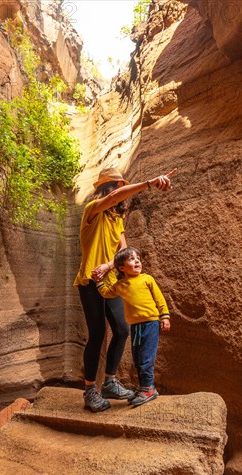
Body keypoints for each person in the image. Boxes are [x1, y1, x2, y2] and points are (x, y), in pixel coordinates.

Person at [74, 167, 177, 412]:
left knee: (121, 329)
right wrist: (149, 182)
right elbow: (110, 200)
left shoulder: (117, 221)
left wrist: (111, 265)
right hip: (90, 281)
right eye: (119, 187)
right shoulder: (92, 211)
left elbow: (123, 253)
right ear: (108, 189)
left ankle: (109, 382)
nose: (122, 193)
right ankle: (90, 391)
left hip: (113, 282)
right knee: (98, 334)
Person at [94, 247, 170, 406]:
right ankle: (143, 387)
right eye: (131, 259)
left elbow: (159, 299)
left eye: (138, 259)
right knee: (138, 357)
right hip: (136, 326)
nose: (137, 261)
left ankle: (148, 388)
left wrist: (165, 316)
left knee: (147, 357)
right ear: (121, 268)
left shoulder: (147, 279)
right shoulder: (121, 284)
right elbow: (107, 293)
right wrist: (99, 282)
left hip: (151, 322)